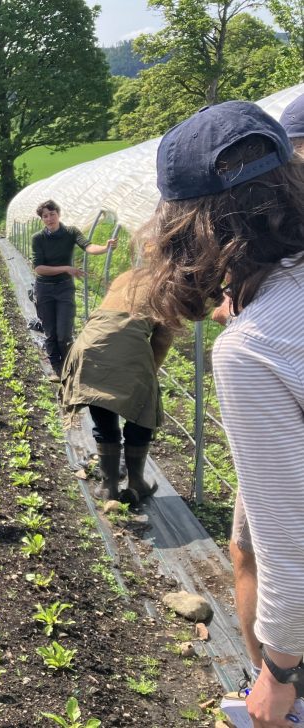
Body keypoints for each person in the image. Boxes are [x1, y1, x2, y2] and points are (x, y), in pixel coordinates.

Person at [145, 100, 304, 728]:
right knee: (244, 542)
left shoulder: (253, 349)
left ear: (191, 227)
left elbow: (292, 543)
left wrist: (282, 675)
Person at [60, 269, 174, 503]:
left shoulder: (128, 275)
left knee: (103, 411)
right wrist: (147, 375)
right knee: (142, 412)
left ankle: (108, 486)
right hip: (127, 345)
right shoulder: (169, 286)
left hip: (91, 345)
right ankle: (136, 483)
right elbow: (162, 338)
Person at [31, 199, 117, 378]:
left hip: (64, 288)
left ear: (58, 214)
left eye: (52, 214)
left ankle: (68, 366)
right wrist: (66, 269)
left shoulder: (71, 232)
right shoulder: (38, 238)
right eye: (45, 216)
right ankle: (57, 367)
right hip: (44, 289)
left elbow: (88, 246)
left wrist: (105, 247)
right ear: (42, 219)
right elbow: (38, 268)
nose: (49, 219)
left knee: (64, 333)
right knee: (50, 332)